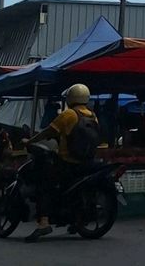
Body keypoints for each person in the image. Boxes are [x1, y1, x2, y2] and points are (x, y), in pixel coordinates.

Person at [23, 83, 100, 242]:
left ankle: (43, 222)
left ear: (70, 97)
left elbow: (48, 132)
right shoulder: (93, 116)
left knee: (44, 184)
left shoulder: (68, 115)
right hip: (86, 163)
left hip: (67, 162)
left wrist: (30, 141)